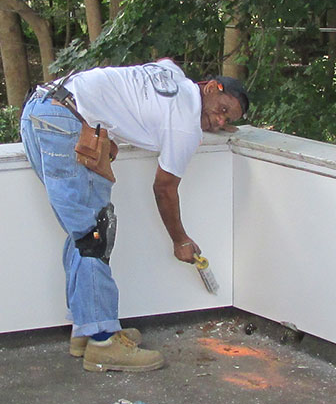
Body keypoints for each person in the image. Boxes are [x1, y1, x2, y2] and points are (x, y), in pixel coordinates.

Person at [19, 59, 249, 372]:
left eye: (228, 120)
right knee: (94, 235)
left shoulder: (173, 76)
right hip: (67, 122)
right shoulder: (184, 127)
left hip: (43, 108)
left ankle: (85, 330)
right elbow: (164, 189)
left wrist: (213, 115)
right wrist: (180, 240)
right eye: (222, 109)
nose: (220, 121)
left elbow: (143, 85)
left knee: (82, 231)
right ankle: (103, 341)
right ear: (210, 87)